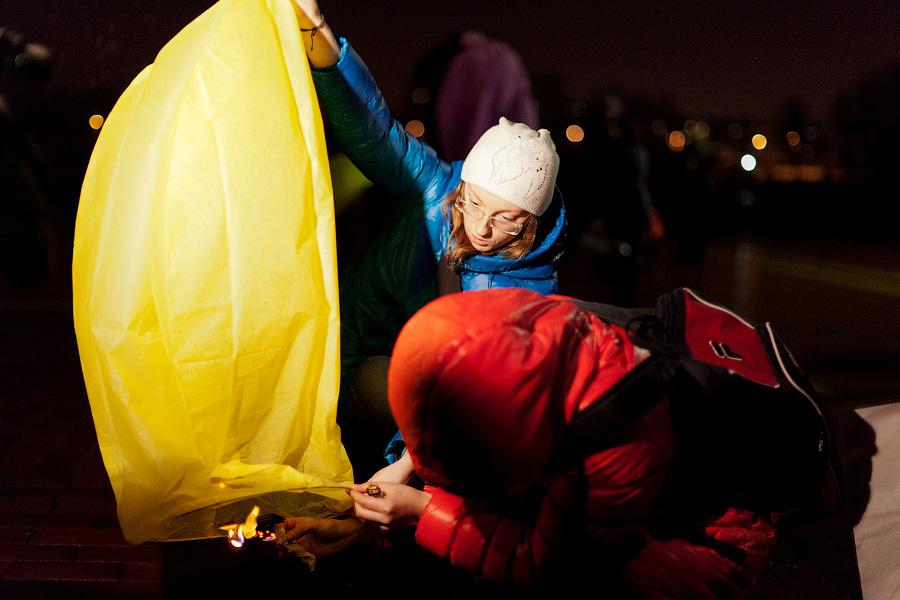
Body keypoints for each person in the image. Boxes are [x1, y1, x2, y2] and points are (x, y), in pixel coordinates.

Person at [285, 288, 776, 598]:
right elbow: (469, 416)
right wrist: (407, 470)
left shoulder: (616, 437)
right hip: (598, 472)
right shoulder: (529, 331)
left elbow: (544, 559)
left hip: (713, 542)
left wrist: (418, 512)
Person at [291, 0, 567, 475]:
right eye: (475, 204)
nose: (481, 228)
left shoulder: (526, 292)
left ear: (533, 223)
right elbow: (375, 131)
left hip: (398, 392)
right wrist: (324, 44)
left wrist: (401, 465)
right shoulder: (437, 189)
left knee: (390, 388)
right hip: (336, 339)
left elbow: (464, 394)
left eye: (507, 221)